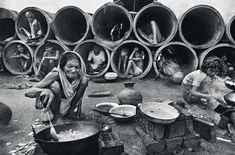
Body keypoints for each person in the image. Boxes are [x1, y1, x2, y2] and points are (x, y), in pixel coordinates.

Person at [25, 51, 88, 122]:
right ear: (62, 66)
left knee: (84, 80)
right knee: (54, 85)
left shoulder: (79, 77)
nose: (73, 70)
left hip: (69, 105)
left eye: (77, 67)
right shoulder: (55, 74)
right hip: (55, 106)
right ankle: (57, 116)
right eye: (69, 66)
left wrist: (78, 110)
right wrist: (45, 91)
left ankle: (71, 112)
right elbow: (28, 92)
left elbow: (80, 96)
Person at [181, 56, 235, 129]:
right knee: (211, 97)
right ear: (206, 68)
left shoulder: (206, 74)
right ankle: (221, 111)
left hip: (194, 92)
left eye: (216, 71)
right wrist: (209, 96)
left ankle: (222, 109)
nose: (214, 73)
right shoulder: (200, 76)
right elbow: (193, 92)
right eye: (212, 71)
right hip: (189, 95)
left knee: (214, 85)